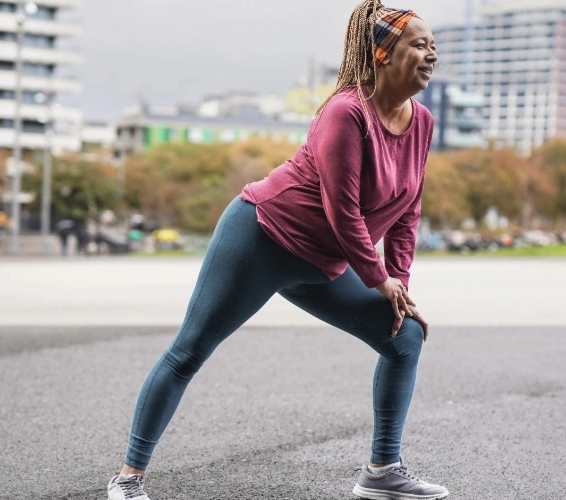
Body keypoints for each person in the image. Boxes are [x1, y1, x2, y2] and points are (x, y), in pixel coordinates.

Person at [106, 1, 447, 499]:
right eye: (419, 44)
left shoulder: (422, 122)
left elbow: (407, 211)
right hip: (261, 239)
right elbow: (342, 210)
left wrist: (399, 287)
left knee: (405, 336)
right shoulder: (345, 112)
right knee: (190, 350)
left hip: (325, 264)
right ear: (381, 54)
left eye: (433, 45)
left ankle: (382, 470)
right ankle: (129, 479)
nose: (431, 53)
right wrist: (378, 278)